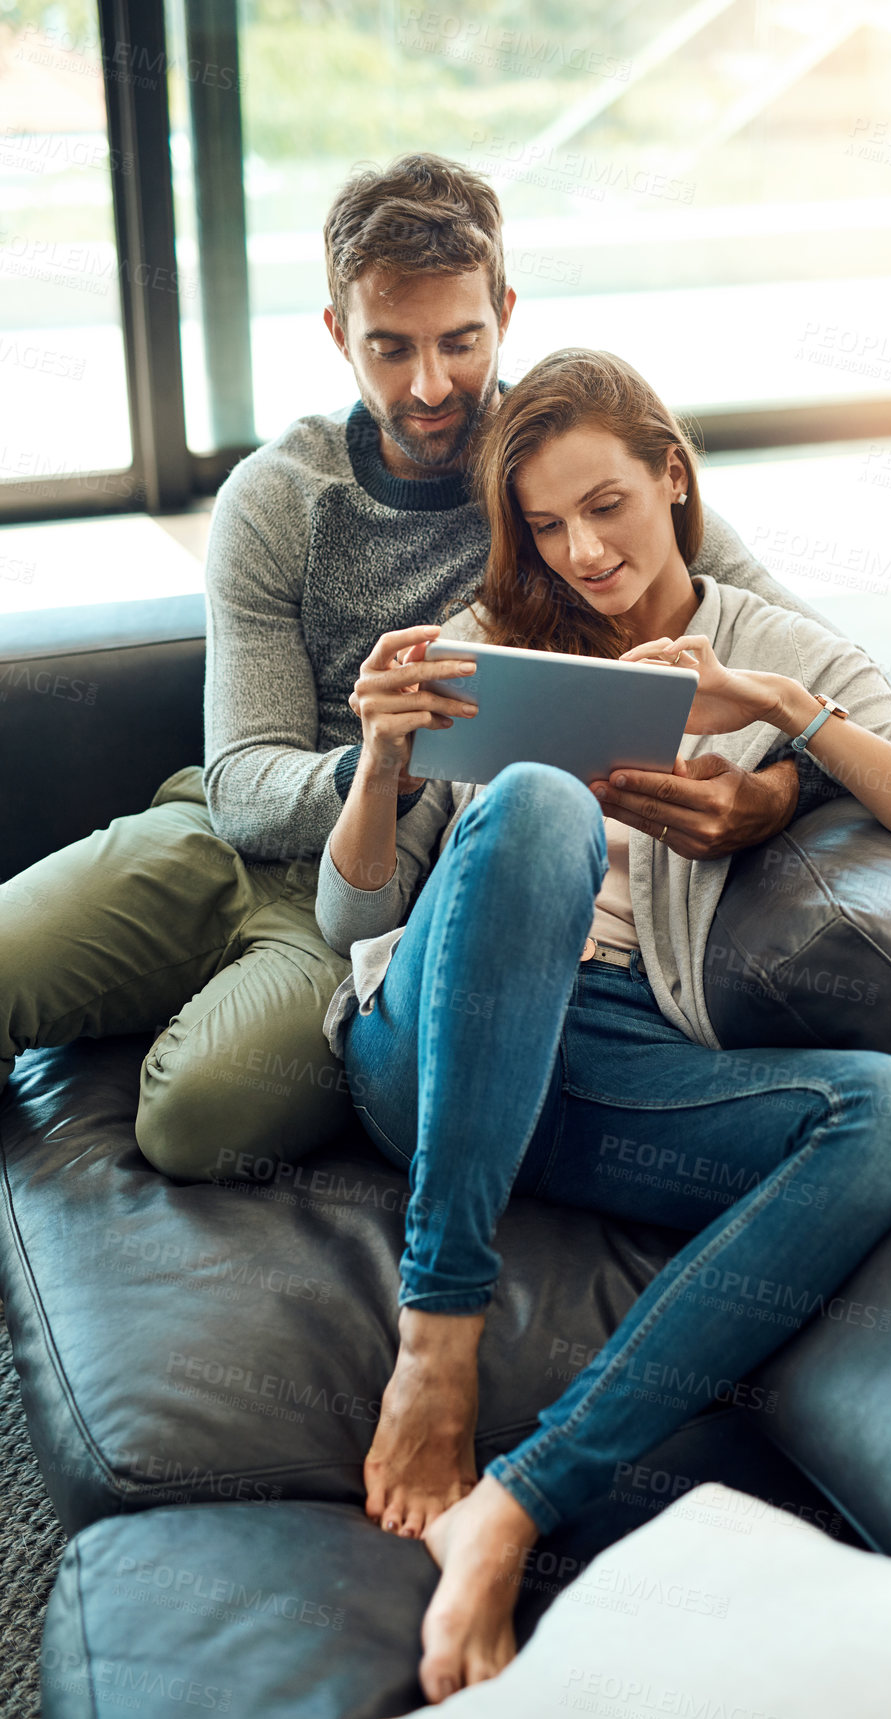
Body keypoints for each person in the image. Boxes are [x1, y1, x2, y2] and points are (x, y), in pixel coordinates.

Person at [314, 348, 891, 1702]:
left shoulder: (771, 642)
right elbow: (349, 921)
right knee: (537, 805)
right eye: (545, 523)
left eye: (608, 505)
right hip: (428, 1048)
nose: (582, 550)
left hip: (609, 1070)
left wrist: (784, 721)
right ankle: (437, 1327)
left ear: (671, 475)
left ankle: (517, 1500)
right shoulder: (484, 641)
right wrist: (382, 763)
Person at [0, 154, 811, 1178]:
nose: (430, 386)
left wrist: (774, 791)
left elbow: (815, 671)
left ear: (506, 314)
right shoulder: (280, 495)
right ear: (340, 333)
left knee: (195, 1121)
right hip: (219, 838)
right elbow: (243, 786)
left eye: (460, 343)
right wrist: (380, 756)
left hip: (385, 898)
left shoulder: (573, 478)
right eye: (390, 348)